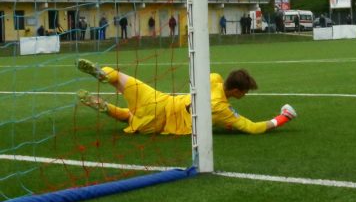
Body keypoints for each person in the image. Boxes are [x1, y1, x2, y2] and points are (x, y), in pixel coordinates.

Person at [75, 59, 297, 135]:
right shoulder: (222, 110)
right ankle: (106, 107)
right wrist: (283, 117)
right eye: (245, 92)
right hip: (159, 124)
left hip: (159, 99)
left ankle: (104, 74)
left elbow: (209, 78)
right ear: (237, 91)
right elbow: (253, 128)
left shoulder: (213, 79)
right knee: (132, 119)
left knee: (124, 81)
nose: (245, 96)